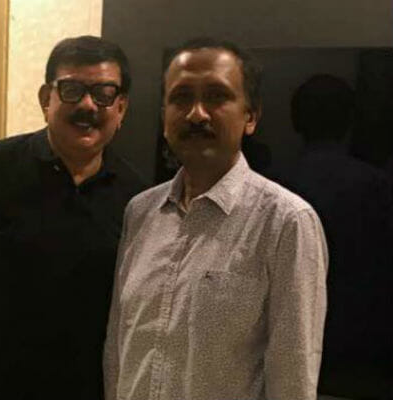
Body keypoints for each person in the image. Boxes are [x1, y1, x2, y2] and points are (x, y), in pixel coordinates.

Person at [104, 38, 328, 400]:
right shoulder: (141, 212)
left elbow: (293, 379)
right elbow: (118, 352)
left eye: (216, 96)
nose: (196, 114)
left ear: (250, 116)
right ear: (164, 116)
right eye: (181, 98)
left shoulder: (286, 222)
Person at [0, 36, 147, 400]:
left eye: (103, 93)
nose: (87, 105)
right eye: (71, 90)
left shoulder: (138, 198)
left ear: (121, 108)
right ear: (45, 99)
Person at [278, 74, 393, 399]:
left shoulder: (274, 188)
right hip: (364, 356)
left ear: (295, 121)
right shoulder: (376, 186)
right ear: (350, 120)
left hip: (291, 354)